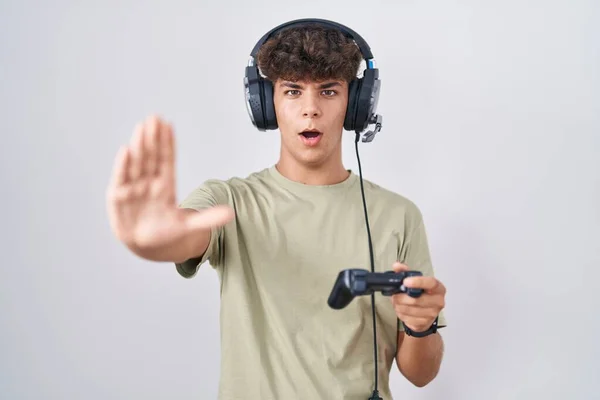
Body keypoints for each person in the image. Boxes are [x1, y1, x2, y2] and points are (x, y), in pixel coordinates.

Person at [106, 18, 447, 400]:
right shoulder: (230, 201)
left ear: (357, 105)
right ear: (267, 105)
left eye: (329, 92)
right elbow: (183, 234)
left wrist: (422, 325)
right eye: (292, 91)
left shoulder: (399, 215)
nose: (310, 110)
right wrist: (150, 240)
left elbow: (421, 374)